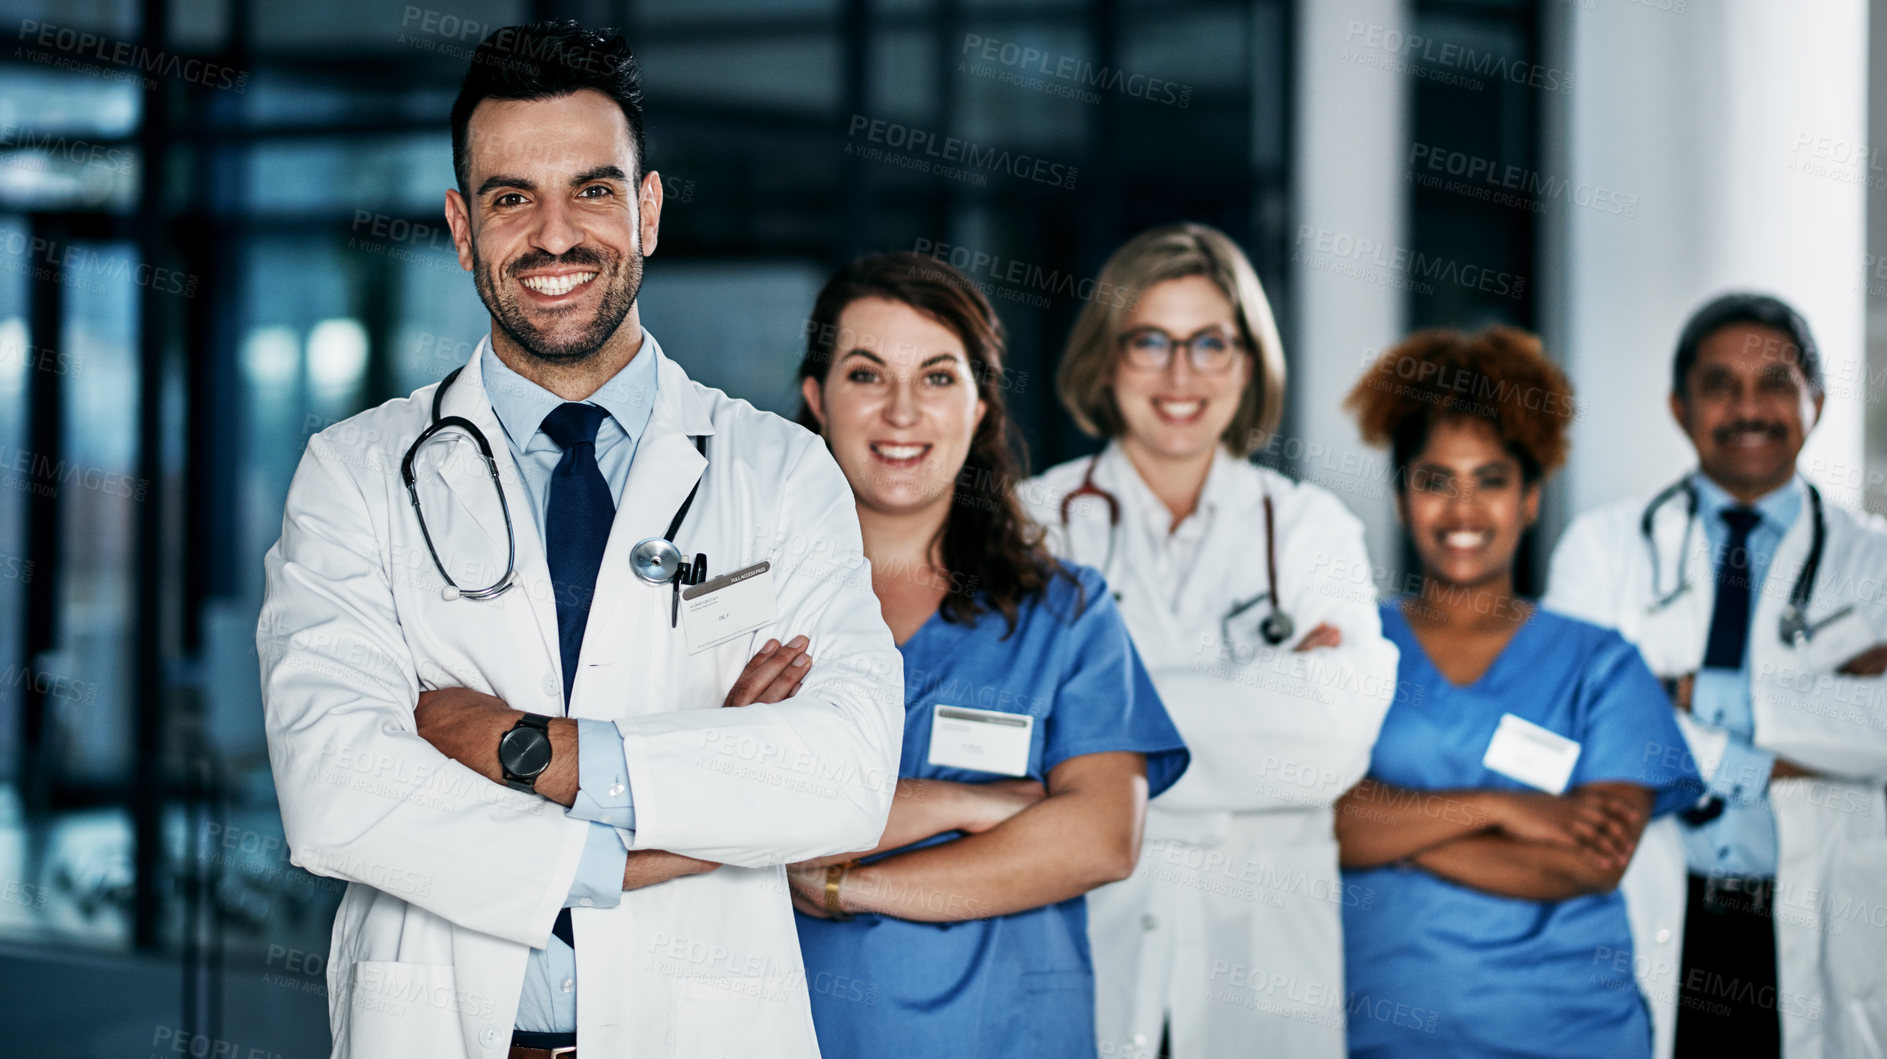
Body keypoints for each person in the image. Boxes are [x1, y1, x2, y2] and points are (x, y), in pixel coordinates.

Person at [256, 22, 903, 1058]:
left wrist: (521, 750)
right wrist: (674, 825)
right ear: (464, 230)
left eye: (594, 190)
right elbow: (336, 792)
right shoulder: (355, 472)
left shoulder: (777, 471)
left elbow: (845, 776)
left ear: (646, 211)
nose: (555, 236)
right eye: (513, 198)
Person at [774, 251, 1189, 1059]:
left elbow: (1103, 835)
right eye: (866, 375)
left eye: (936, 377)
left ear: (980, 405)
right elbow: (731, 819)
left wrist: (847, 883)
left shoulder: (1064, 613)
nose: (901, 411)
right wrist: (965, 804)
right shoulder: (746, 605)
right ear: (817, 399)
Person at [1020, 222, 1399, 1059]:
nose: (1180, 373)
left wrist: (1097, 735)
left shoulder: (1306, 525)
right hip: (1084, 941)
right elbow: (1012, 737)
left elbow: (1333, 739)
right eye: (1150, 339)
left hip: (1259, 966)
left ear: (1249, 360)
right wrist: (1259, 692)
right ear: (1106, 356)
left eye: (1210, 343)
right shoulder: (1031, 521)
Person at [1334, 325, 1701, 1059]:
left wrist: (1394, 838)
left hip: (1569, 1033)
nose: (1461, 510)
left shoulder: (1598, 663)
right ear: (1403, 496)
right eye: (1435, 479)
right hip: (1380, 1034)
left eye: (1490, 480)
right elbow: (1319, 821)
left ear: (1530, 498)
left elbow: (1591, 858)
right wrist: (1504, 806)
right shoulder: (1348, 646)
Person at [1543, 293, 1887, 1059]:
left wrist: (1679, 693)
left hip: (1817, 924)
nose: (1747, 408)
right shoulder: (1602, 547)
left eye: (1773, 382)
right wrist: (1772, 753)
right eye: (1718, 385)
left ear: (1817, 402)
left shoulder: (1875, 560)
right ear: (1678, 406)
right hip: (1652, 905)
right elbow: (1565, 727)